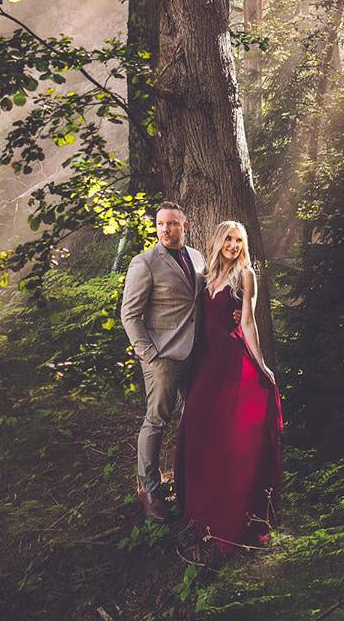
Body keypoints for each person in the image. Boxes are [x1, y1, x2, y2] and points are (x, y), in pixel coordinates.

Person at [175, 220, 283, 558]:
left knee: (231, 433)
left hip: (232, 360)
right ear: (219, 240)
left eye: (239, 241)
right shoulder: (205, 275)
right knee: (198, 426)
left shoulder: (245, 276)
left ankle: (232, 519)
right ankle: (199, 513)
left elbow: (248, 321)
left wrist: (261, 363)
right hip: (205, 361)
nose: (233, 246)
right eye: (229, 239)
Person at [120, 202, 205, 522]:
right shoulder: (144, 262)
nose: (165, 230)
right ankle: (150, 490)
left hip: (196, 353)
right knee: (156, 421)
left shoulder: (197, 258)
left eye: (172, 224)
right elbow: (129, 315)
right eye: (160, 224)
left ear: (186, 226)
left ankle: (189, 480)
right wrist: (148, 354)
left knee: (192, 416)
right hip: (163, 357)